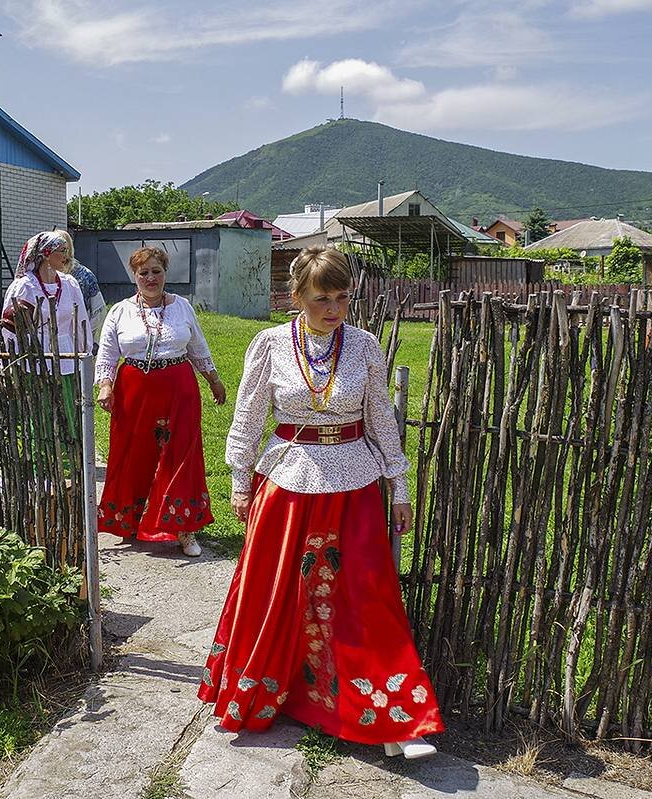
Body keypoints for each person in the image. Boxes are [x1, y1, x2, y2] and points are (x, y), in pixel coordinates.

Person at [198, 246, 442, 758]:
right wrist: (241, 482)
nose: (334, 308)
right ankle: (270, 690)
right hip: (287, 485)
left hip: (353, 484)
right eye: (322, 298)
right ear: (297, 297)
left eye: (342, 297)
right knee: (276, 593)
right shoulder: (269, 345)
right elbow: (246, 418)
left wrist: (399, 486)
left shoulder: (365, 347)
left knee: (365, 597)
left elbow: (380, 420)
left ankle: (390, 716)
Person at [95, 246, 227, 557]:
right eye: (144, 272)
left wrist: (214, 380)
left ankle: (183, 529)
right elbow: (108, 353)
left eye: (157, 271)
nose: (151, 278)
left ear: (166, 274)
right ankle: (130, 522)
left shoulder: (181, 307)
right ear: (134, 276)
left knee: (180, 454)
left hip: (178, 389)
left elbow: (198, 347)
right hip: (134, 392)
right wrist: (105, 385)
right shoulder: (120, 311)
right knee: (133, 455)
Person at [1, 231, 92, 442]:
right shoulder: (25, 286)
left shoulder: (69, 284)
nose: (66, 256)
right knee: (39, 412)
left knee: (68, 410)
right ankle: (41, 455)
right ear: (46, 253)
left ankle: (69, 456)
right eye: (62, 251)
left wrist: (84, 352)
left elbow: (81, 321)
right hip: (34, 357)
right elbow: (9, 326)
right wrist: (13, 357)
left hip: (66, 354)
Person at [51, 228, 107, 347]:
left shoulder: (84, 276)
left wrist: (85, 335)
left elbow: (99, 311)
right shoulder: (45, 275)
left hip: (78, 341)